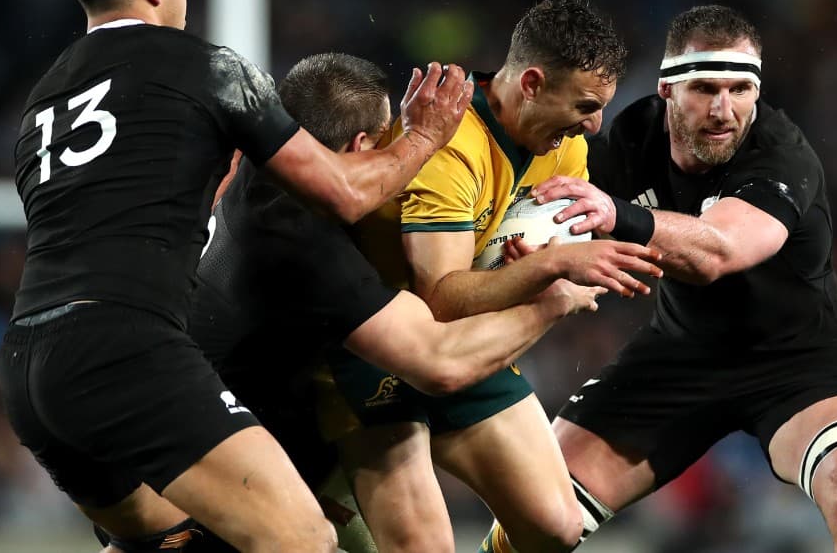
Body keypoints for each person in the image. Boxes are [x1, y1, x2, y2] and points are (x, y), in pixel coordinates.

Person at [0, 0, 471, 553]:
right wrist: (423, 137)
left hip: (28, 362)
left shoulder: (42, 101)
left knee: (169, 541)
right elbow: (346, 189)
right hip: (126, 344)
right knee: (303, 538)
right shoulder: (207, 67)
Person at [185, 51, 609, 551]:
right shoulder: (308, 246)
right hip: (250, 442)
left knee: (554, 525)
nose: (401, 151)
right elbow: (437, 363)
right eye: (391, 137)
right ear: (360, 145)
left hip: (220, 402)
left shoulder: (259, 170)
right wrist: (551, 297)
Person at [527, 4, 837, 552]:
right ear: (667, 91)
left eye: (740, 89)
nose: (724, 109)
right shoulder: (632, 140)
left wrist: (618, 215)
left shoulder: (781, 155)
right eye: (704, 87)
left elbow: (718, 251)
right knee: (537, 509)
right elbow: (554, 209)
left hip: (800, 364)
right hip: (678, 355)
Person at [332, 0, 664, 553]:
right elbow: (437, 299)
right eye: (585, 104)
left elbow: (511, 274)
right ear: (531, 83)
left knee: (556, 527)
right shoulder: (451, 143)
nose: (594, 124)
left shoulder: (564, 147)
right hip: (374, 350)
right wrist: (554, 268)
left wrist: (535, 271)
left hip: (465, 345)